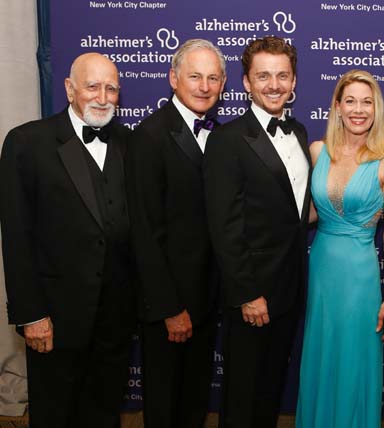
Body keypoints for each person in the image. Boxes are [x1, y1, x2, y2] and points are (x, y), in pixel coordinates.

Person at [0, 52, 134, 428]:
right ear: (69, 89)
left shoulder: (128, 142)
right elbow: (16, 237)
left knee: (105, 410)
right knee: (56, 413)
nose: (103, 97)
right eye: (93, 86)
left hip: (115, 317)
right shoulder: (27, 143)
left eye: (111, 88)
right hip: (55, 318)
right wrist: (31, 315)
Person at [203, 36, 310, 428]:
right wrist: (248, 293)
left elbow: (294, 211)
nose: (274, 84)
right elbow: (224, 226)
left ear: (294, 80)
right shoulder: (227, 140)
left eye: (282, 75)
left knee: (270, 390)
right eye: (263, 76)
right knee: (242, 397)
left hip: (291, 289)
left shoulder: (298, 132)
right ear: (246, 83)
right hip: (252, 294)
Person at [295, 69, 384, 428]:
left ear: (377, 109)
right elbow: (309, 213)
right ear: (337, 107)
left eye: (367, 102)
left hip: (360, 276)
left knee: (354, 360)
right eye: (351, 101)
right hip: (322, 270)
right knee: (321, 355)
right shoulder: (317, 151)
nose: (359, 110)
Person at [126, 39, 226, 428]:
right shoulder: (149, 136)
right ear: (173, 79)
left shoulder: (220, 135)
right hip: (168, 304)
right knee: (166, 406)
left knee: (193, 402)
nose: (204, 86)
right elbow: (145, 233)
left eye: (213, 78)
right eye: (195, 76)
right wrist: (169, 308)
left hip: (206, 299)